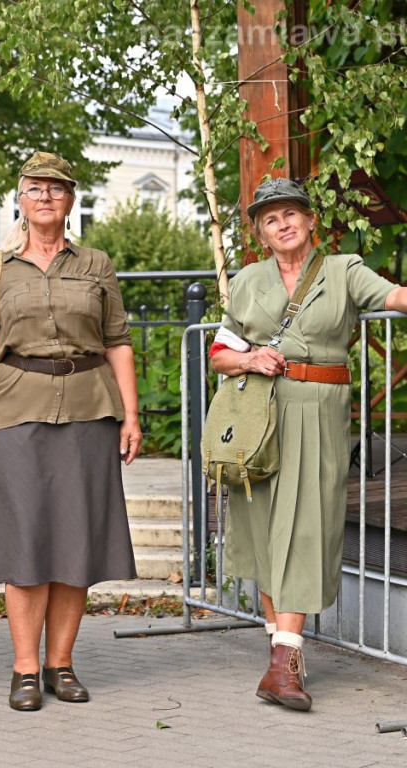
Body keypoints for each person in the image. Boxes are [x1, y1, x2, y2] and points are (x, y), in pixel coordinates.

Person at [209, 177, 407, 712]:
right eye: (270, 219)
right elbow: (219, 352)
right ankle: (283, 659)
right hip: (260, 414)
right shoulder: (249, 280)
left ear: (310, 220)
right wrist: (250, 358)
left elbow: (393, 297)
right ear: (260, 232)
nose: (283, 223)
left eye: (291, 213)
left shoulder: (344, 269)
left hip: (318, 413)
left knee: (305, 528)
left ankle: (283, 661)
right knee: (269, 529)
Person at [0, 151, 141, 712]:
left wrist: (131, 415)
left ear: (70, 199)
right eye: (35, 188)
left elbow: (117, 341)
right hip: (14, 410)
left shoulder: (97, 265)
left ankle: (62, 664)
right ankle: (25, 669)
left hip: (88, 408)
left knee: (76, 542)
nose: (45, 197)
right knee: (24, 541)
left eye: (56, 188)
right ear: (20, 197)